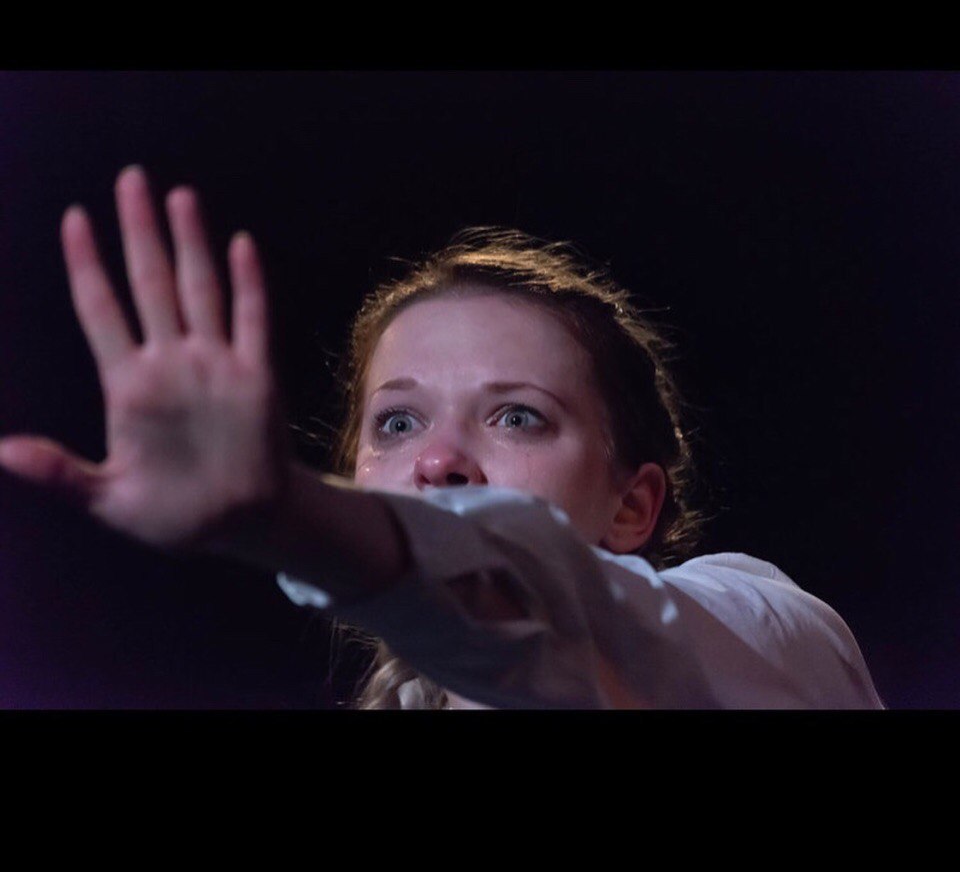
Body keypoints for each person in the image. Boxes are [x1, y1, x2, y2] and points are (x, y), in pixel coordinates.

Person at [0, 166, 884, 709]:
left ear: (633, 505)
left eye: (517, 415)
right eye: (397, 421)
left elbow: (536, 592)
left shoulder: (768, 634)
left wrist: (286, 516)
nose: (435, 460)